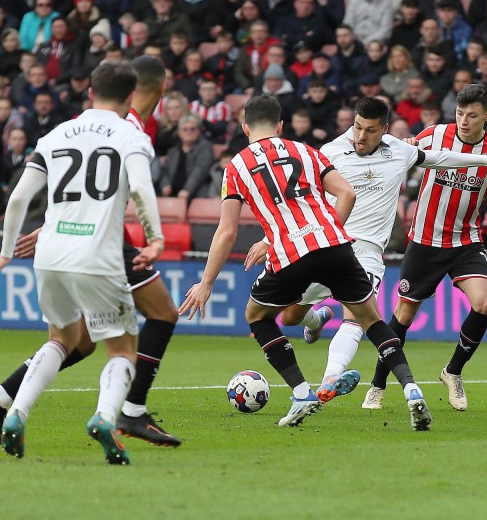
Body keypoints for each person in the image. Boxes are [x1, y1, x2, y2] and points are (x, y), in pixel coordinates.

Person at [180, 94, 433, 431]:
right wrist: (329, 233)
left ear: (244, 127)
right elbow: (348, 194)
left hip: (291, 253)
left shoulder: (236, 166)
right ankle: (412, 390)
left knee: (257, 316)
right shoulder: (306, 151)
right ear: (281, 126)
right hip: (337, 244)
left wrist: (206, 282)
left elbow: (226, 232)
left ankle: (302, 393)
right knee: (370, 320)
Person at [244, 97, 487, 408]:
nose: (360, 136)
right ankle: (316, 320)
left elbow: (440, 158)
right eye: (357, 127)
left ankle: (330, 379)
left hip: (366, 251)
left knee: (357, 317)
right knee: (290, 317)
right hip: (326, 243)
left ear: (384, 130)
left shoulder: (398, 151)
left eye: (370, 130)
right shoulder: (330, 152)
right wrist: (269, 238)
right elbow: (299, 199)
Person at [0, 56, 184, 449]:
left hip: (59, 245)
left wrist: (31, 237)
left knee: (75, 339)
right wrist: (155, 239)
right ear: (157, 90)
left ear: (91, 91)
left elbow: (23, 193)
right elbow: (135, 189)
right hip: (102, 245)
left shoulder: (60, 131)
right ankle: (128, 412)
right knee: (151, 321)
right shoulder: (130, 130)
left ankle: (3, 401)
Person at [361, 84, 487, 412]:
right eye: (460, 113)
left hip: (465, 241)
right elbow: (404, 152)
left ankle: (453, 371)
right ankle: (377, 384)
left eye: (472, 116)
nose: (463, 121)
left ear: (486, 116)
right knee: (403, 315)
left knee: (484, 303)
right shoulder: (434, 135)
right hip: (425, 242)